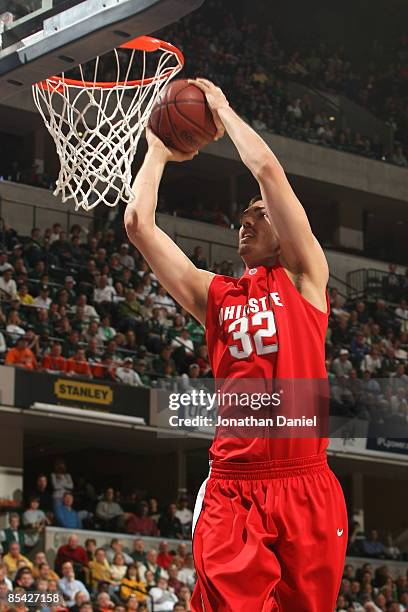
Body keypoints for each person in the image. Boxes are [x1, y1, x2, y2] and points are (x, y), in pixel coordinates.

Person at [125, 78, 347, 611]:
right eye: (241, 219)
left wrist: (222, 111)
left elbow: (268, 172)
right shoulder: (215, 295)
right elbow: (138, 223)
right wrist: (156, 152)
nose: (245, 224)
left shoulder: (306, 277)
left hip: (306, 485)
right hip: (234, 489)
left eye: (258, 216)